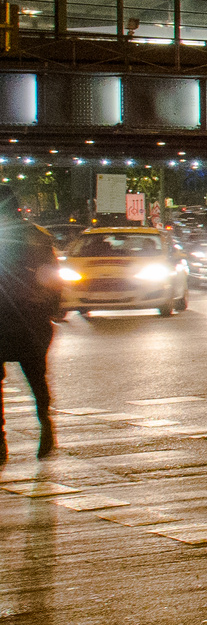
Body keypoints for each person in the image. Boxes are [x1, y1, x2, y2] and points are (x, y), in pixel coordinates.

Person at [0, 194, 60, 460]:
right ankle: (45, 423)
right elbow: (51, 274)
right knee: (36, 375)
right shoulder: (37, 235)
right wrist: (54, 307)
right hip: (31, 317)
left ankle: (0, 441)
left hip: (9, 316)